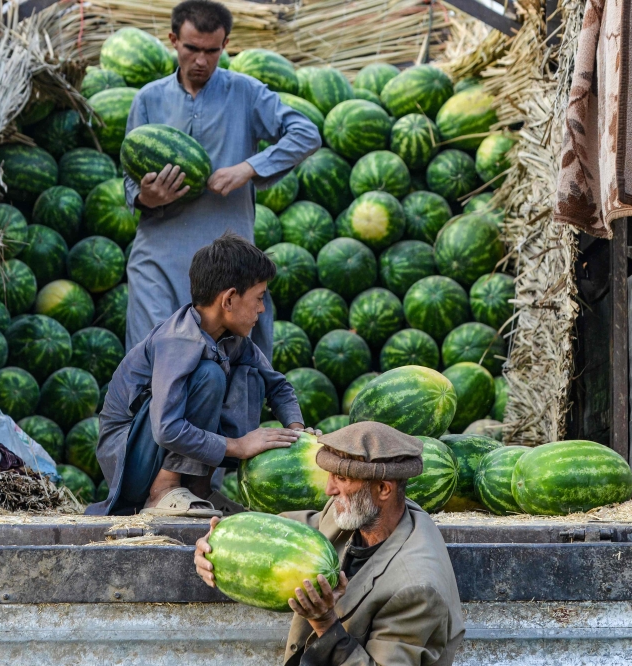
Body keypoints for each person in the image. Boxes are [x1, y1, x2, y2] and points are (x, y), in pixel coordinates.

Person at [123, 0, 322, 358]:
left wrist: (248, 167)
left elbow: (306, 133)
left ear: (225, 45)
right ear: (173, 40)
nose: (201, 60)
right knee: (152, 363)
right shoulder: (148, 99)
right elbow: (129, 178)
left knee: (227, 373)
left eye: (212, 51)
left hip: (228, 260)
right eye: (192, 49)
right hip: (159, 254)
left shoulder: (246, 92)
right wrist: (146, 197)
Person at [194, 421, 465, 665]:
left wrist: (325, 623)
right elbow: (289, 529)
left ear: (384, 489)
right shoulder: (364, 513)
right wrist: (219, 542)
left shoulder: (416, 589)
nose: (329, 490)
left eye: (343, 479)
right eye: (331, 476)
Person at [86, 233, 307, 517]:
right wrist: (238, 446)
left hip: (158, 451)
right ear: (228, 300)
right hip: (134, 463)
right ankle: (162, 491)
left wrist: (297, 430)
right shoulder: (177, 341)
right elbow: (166, 428)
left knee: (252, 375)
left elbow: (277, 386)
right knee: (209, 375)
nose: (262, 309)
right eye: (259, 298)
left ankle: (199, 489)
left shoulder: (232, 339)